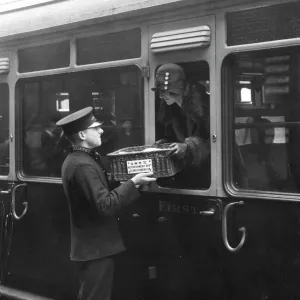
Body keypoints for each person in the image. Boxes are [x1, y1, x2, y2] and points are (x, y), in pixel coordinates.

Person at [56, 106, 156, 300]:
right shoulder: (82, 165)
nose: (101, 131)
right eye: (96, 128)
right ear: (82, 134)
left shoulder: (81, 159)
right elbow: (105, 204)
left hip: (95, 247)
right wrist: (134, 183)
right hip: (96, 248)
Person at [152, 63, 210, 188]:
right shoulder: (171, 110)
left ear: (178, 91)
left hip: (210, 172)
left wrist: (188, 147)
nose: (161, 96)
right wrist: (164, 143)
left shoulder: (204, 110)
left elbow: (213, 141)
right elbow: (173, 136)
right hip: (187, 170)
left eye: (165, 92)